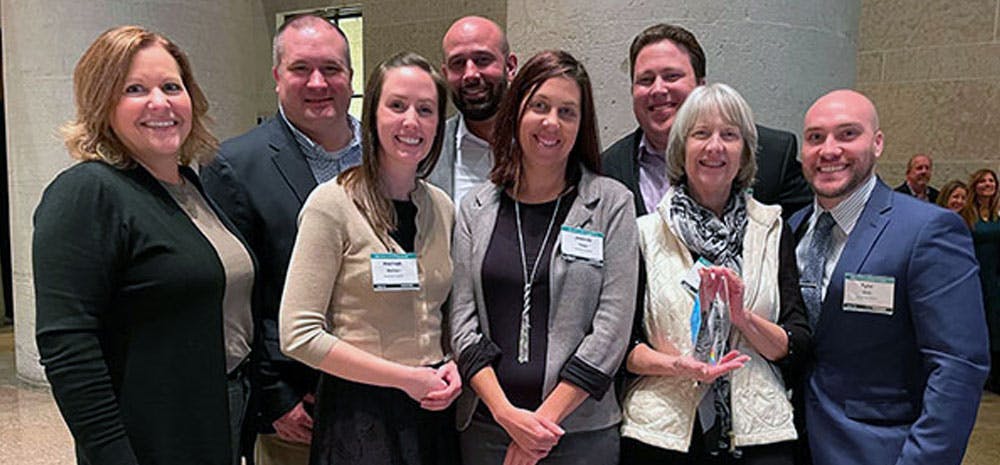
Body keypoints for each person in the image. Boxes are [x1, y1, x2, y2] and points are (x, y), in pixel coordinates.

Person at [34, 25, 253, 465]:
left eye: (171, 87)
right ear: (102, 102)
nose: (160, 103)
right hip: (154, 433)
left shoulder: (188, 185)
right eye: (134, 89)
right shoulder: (87, 192)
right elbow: (68, 346)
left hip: (218, 410)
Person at [450, 50, 638, 465]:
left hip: (580, 434)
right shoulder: (475, 208)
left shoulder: (611, 205)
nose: (552, 122)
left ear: (581, 124)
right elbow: (462, 325)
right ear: (517, 111)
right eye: (539, 106)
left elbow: (612, 329)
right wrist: (507, 415)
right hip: (488, 428)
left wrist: (540, 426)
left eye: (567, 112)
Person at [279, 51, 461, 465]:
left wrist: (452, 364)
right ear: (372, 114)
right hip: (359, 416)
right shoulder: (331, 204)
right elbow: (298, 334)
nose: (411, 121)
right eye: (397, 105)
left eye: (426, 110)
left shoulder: (442, 208)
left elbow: (440, 314)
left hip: (431, 409)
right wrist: (405, 378)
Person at [790, 90, 989, 465]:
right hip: (790, 446)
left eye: (848, 134)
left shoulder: (928, 230)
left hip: (880, 451)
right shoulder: (792, 228)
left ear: (877, 143)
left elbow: (958, 367)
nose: (829, 150)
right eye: (816, 137)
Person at [201, 14, 362, 465]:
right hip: (297, 402)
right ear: (276, 76)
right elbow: (235, 298)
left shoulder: (386, 152)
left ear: (350, 76)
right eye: (300, 69)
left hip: (385, 393)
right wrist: (272, 398)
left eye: (331, 68)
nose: (318, 82)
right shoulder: (233, 165)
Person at [619, 83, 809, 465]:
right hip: (663, 434)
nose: (714, 147)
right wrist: (677, 365)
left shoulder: (771, 229)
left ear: (745, 152)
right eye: (701, 134)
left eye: (729, 135)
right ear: (681, 148)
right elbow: (624, 347)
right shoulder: (644, 233)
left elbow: (797, 343)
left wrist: (743, 318)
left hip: (759, 434)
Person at [602, 23, 810, 219]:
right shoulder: (607, 169)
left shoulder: (771, 156)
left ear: (701, 86)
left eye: (671, 76)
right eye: (646, 80)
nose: (658, 89)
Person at [429, 16, 517, 206]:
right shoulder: (428, 150)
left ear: (510, 67)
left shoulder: (542, 143)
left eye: (483, 60)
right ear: (445, 74)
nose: (470, 74)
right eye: (458, 63)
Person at [960, 169, 1000, 393]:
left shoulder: (998, 213)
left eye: (991, 181)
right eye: (983, 181)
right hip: (974, 273)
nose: (987, 184)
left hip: (996, 275)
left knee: (995, 322)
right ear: (975, 186)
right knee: (977, 322)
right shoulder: (967, 213)